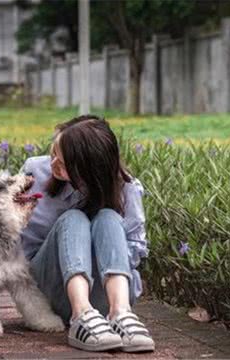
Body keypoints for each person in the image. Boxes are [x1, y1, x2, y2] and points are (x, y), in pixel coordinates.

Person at [18, 114, 154, 352]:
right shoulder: (33, 173)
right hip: (51, 294)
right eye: (53, 153)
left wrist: (99, 248)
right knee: (73, 218)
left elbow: (134, 249)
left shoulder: (126, 188)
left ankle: (121, 313)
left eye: (63, 162)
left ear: (90, 169)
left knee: (109, 217)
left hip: (106, 294)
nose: (53, 164)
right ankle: (80, 315)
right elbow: (9, 234)